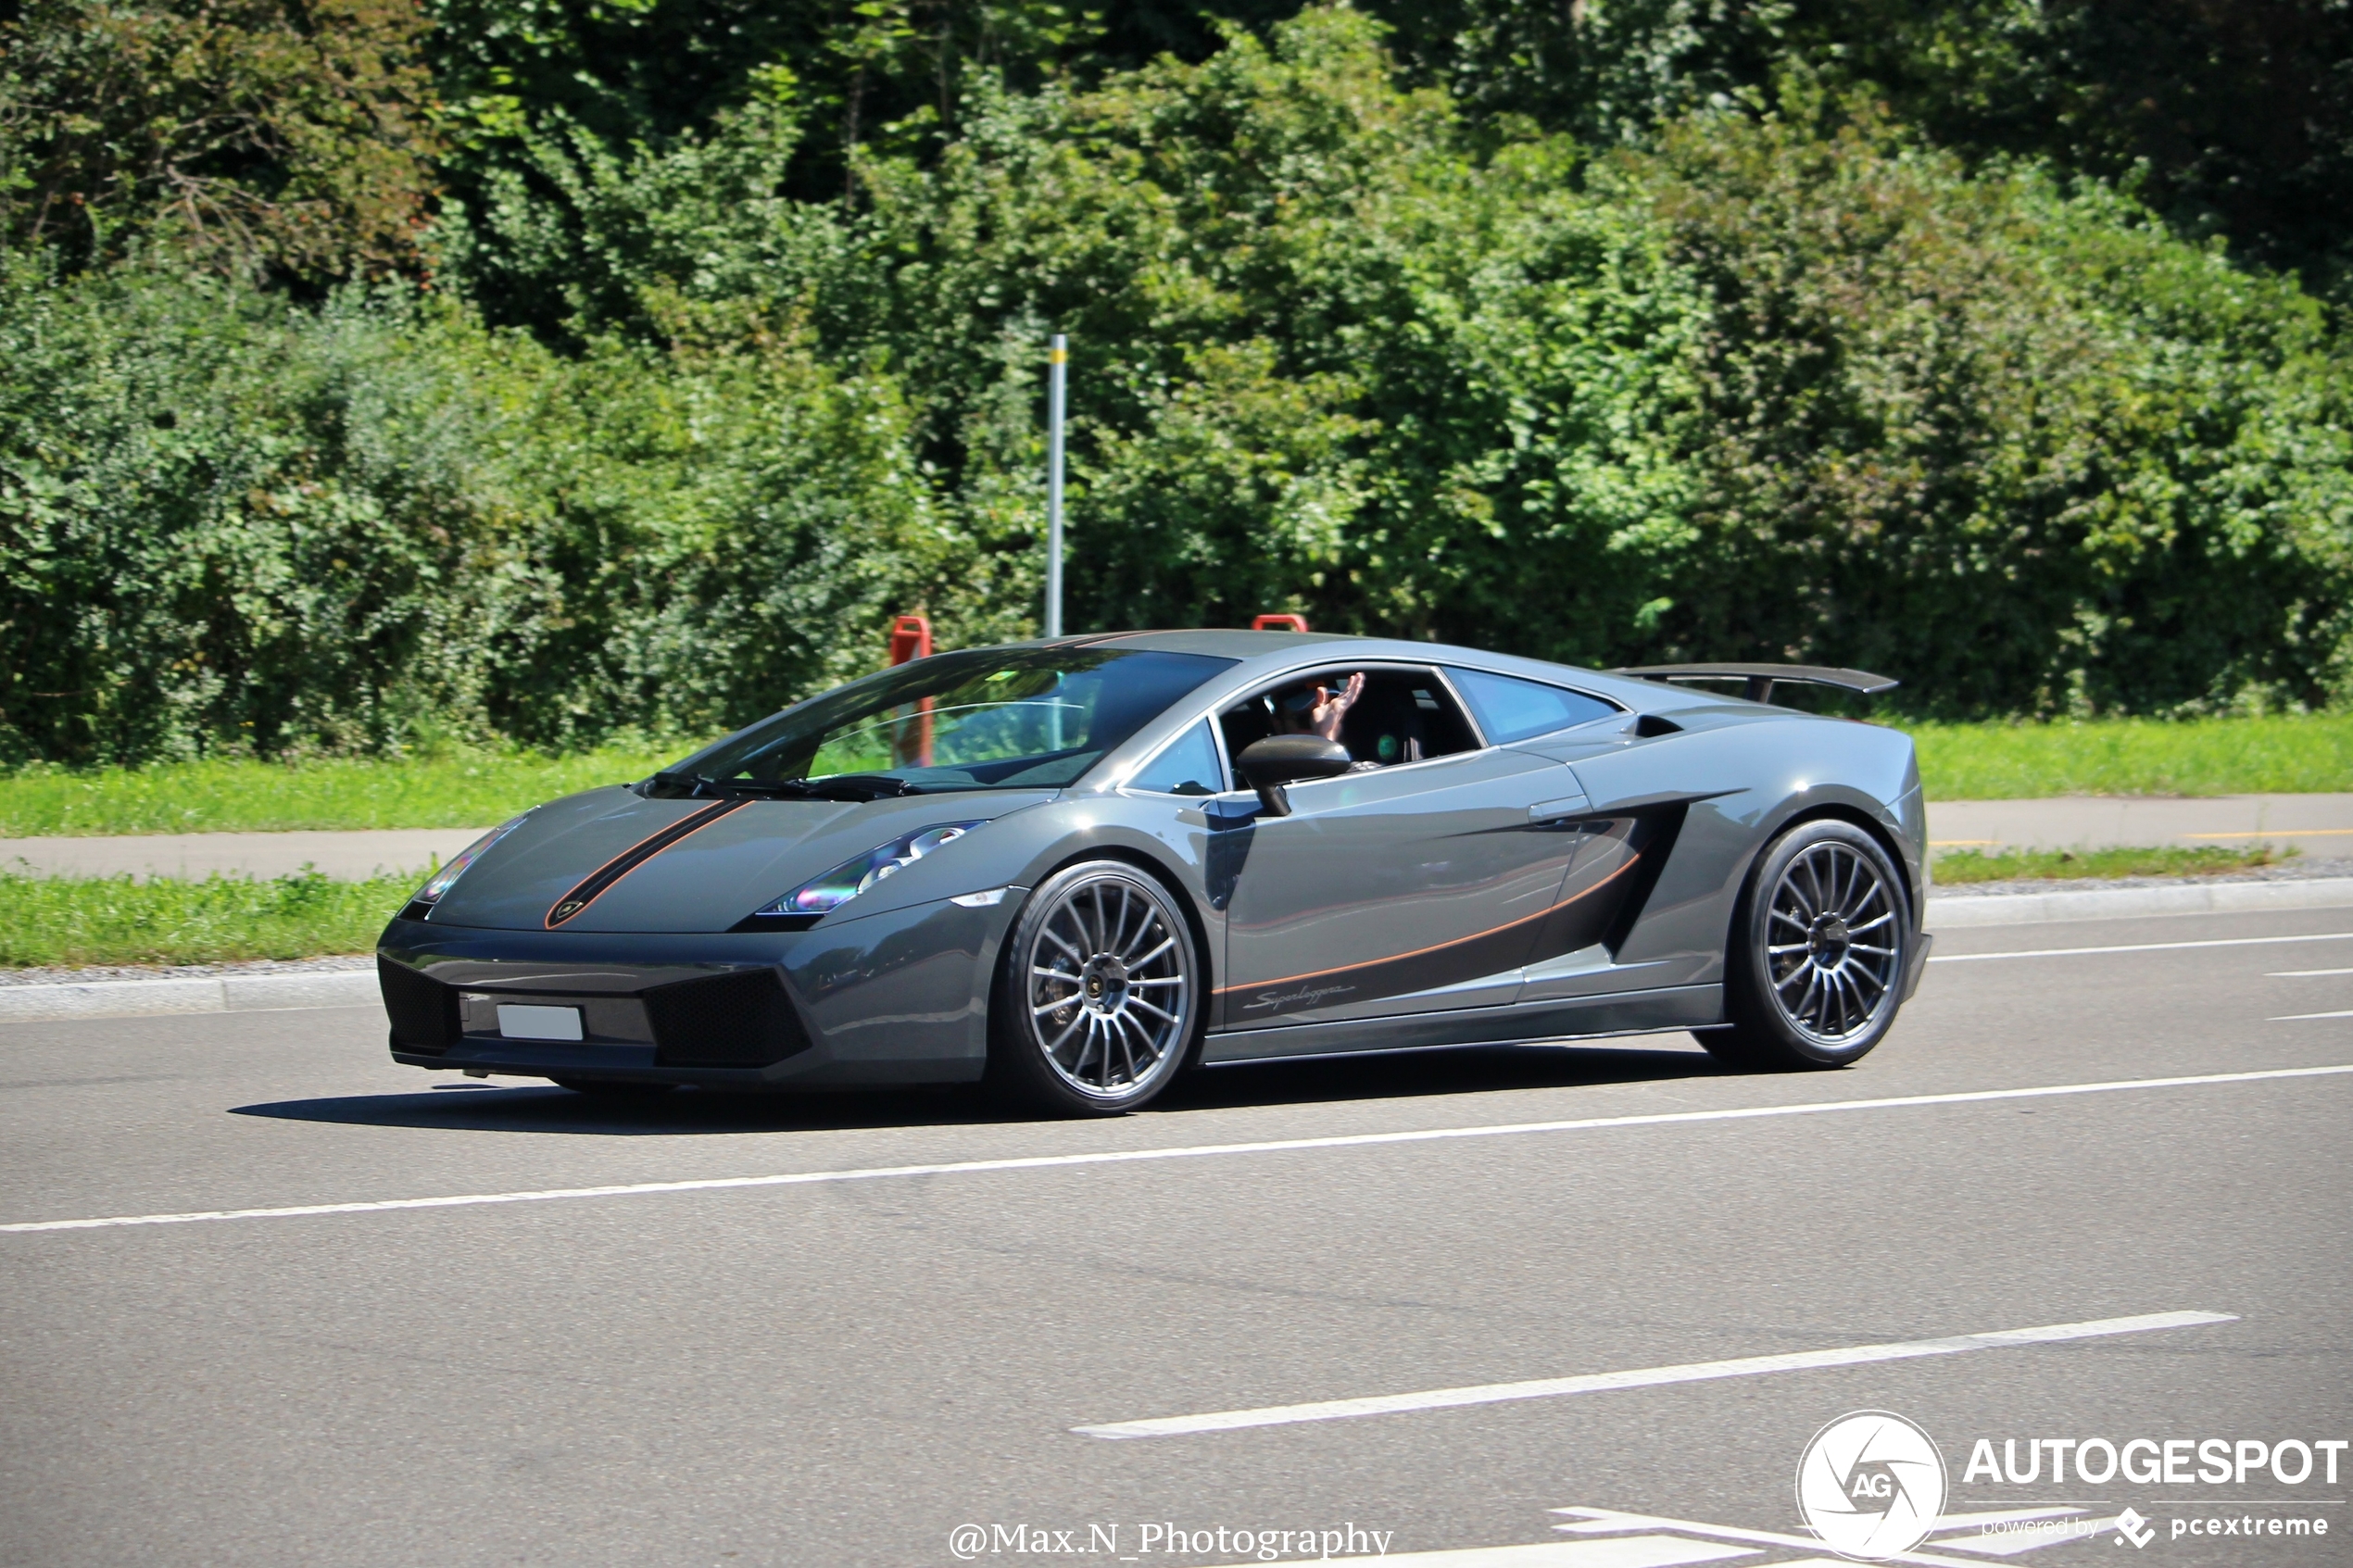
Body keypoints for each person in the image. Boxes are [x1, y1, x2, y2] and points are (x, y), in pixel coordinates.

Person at [1276, 671, 1383, 771]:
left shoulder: (1363, 770)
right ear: (1278, 725)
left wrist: (1326, 741)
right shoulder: (1274, 779)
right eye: (1304, 720)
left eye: (1334, 715)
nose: (1321, 723)